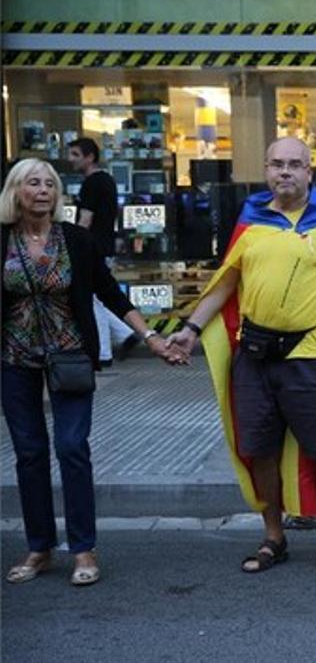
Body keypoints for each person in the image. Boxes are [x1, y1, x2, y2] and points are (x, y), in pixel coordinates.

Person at [166, 137, 316, 579]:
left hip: (313, 357)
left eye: (295, 165)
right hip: (254, 358)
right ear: (266, 171)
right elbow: (227, 280)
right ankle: (274, 535)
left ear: (311, 172)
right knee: (261, 451)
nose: (285, 172)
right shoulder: (252, 219)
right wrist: (191, 329)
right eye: (277, 164)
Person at [1, 159, 174, 586]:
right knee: (29, 453)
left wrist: (150, 336)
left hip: (70, 357)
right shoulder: (3, 240)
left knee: (71, 446)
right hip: (14, 359)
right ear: (15, 192)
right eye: (33, 183)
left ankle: (83, 549)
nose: (42, 191)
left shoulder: (76, 239)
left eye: (50, 184)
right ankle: (40, 546)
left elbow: (111, 293)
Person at [67, 137, 137, 365]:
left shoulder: (91, 184)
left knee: (90, 297)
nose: (71, 159)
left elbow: (86, 219)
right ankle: (125, 335)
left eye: (76, 154)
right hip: (104, 244)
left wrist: (72, 244)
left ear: (90, 157)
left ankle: (103, 352)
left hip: (91, 247)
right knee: (96, 296)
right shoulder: (107, 180)